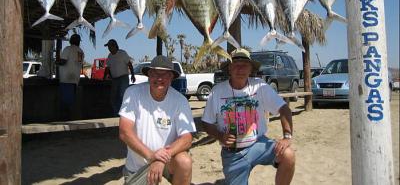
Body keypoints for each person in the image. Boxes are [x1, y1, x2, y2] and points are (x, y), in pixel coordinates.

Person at [202, 48, 295, 185]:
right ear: (229, 69)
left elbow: (284, 109)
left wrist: (287, 136)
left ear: (250, 69)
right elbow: (207, 123)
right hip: (233, 154)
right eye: (236, 65)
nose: (240, 69)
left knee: (288, 155)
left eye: (244, 65)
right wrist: (220, 135)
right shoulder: (217, 91)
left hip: (258, 143)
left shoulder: (260, 86)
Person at [119, 55, 196, 185]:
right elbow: (124, 132)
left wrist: (161, 158)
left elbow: (187, 138)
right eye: (155, 73)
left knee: (185, 162)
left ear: (171, 77)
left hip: (167, 161)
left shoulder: (180, 100)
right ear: (149, 74)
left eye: (165, 74)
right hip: (139, 166)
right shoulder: (132, 93)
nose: (159, 78)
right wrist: (150, 156)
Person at [103, 39, 136, 116]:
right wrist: (104, 77)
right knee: (113, 97)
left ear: (114, 46)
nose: (109, 49)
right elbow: (107, 68)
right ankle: (116, 114)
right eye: (108, 47)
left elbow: (129, 64)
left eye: (109, 47)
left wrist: (133, 75)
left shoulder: (122, 53)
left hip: (123, 78)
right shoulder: (110, 56)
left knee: (123, 95)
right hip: (114, 79)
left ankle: (125, 113)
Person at [56, 33, 84, 120]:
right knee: (71, 102)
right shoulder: (81, 52)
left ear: (71, 41)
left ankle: (66, 120)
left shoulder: (68, 49)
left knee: (65, 103)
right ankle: (71, 119)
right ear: (79, 42)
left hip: (66, 79)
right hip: (75, 79)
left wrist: (56, 61)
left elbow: (63, 62)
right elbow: (77, 63)